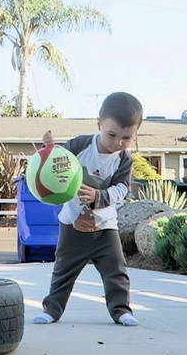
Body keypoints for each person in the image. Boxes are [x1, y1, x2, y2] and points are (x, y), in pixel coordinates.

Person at [33, 92, 141, 327]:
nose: (117, 143)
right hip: (72, 223)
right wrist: (50, 150)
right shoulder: (80, 145)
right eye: (112, 134)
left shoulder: (124, 160)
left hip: (105, 226)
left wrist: (99, 195)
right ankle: (52, 309)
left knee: (116, 271)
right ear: (99, 124)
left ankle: (121, 310)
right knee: (63, 270)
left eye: (126, 138)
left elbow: (122, 188)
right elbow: (56, 165)